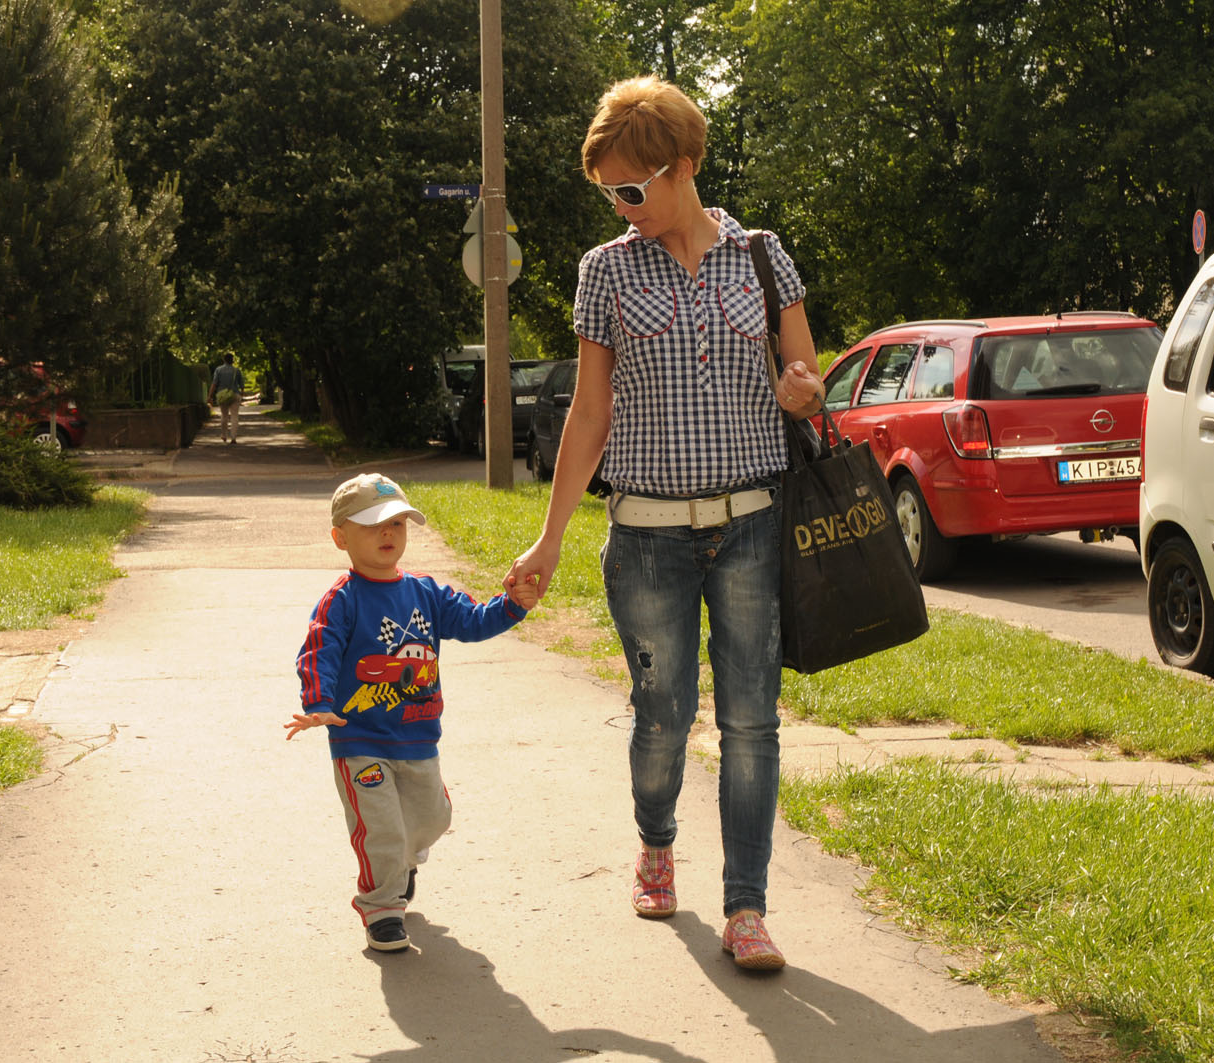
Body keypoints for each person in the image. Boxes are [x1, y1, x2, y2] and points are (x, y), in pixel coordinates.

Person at [504, 76, 824, 971]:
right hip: (645, 534)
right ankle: (656, 837)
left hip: (753, 525)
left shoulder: (763, 257)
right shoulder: (605, 270)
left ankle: (747, 906)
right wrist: (551, 534)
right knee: (664, 713)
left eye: (632, 189)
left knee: (753, 720)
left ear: (681, 168)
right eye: (609, 191)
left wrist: (802, 391)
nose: (619, 205)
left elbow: (803, 378)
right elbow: (590, 414)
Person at [287, 473, 537, 953]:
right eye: (373, 525)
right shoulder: (342, 599)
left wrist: (511, 606)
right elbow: (318, 649)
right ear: (340, 537)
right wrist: (318, 704)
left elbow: (472, 619)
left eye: (398, 523)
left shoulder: (425, 593)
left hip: (418, 735)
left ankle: (405, 858)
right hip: (358, 738)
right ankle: (382, 909)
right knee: (380, 826)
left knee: (432, 818)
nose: (388, 533)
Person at [209, 353, 244, 444]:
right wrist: (241, 396)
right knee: (234, 416)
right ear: (232, 360)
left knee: (224, 415)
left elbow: (214, 383)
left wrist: (210, 396)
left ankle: (224, 435)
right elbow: (242, 385)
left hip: (222, 395)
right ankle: (233, 437)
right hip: (234, 394)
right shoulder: (237, 370)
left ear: (224, 360)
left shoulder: (218, 370)